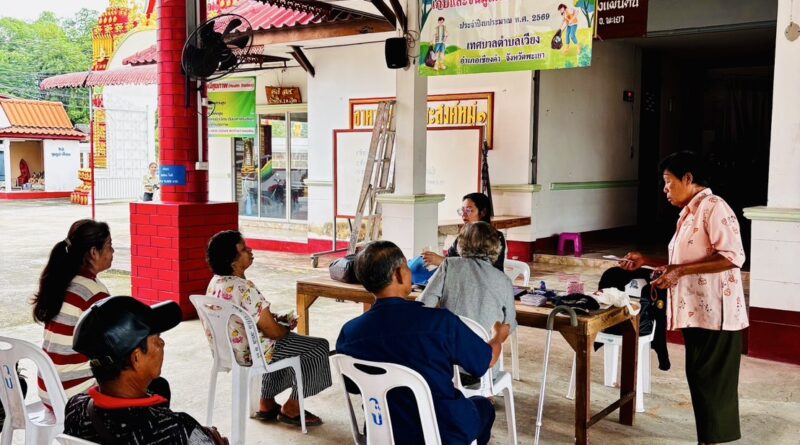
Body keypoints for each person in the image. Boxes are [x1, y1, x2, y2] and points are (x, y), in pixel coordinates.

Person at [620, 151, 747, 445]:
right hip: (698, 312)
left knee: (711, 383)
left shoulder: (714, 207)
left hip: (718, 314)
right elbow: (685, 260)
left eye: (668, 181)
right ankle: (708, 440)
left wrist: (678, 271)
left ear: (688, 178)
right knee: (700, 379)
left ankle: (712, 441)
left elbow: (733, 256)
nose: (665, 189)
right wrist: (647, 261)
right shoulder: (690, 212)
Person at [337, 240, 511, 445]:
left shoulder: (350, 333)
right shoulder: (440, 323)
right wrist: (498, 337)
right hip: (443, 432)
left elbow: (353, 386)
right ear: (399, 274)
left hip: (382, 432)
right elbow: (485, 361)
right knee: (483, 406)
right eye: (407, 266)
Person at [205, 230, 331, 427]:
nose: (250, 250)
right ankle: (292, 407)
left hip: (230, 352)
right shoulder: (245, 288)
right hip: (254, 354)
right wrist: (285, 327)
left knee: (284, 343)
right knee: (318, 347)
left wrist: (275, 321)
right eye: (244, 249)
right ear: (233, 261)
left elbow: (249, 318)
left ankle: (266, 402)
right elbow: (273, 333)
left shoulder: (215, 283)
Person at [64, 296, 229, 445]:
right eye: (157, 338)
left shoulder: (75, 409)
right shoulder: (178, 431)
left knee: (160, 386)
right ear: (136, 358)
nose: (162, 343)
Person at [32, 219, 114, 408]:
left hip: (48, 390)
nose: (113, 252)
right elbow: (111, 345)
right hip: (74, 395)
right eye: (109, 246)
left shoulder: (61, 284)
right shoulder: (94, 292)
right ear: (93, 252)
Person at [419, 221, 517, 338]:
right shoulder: (504, 280)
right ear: (496, 246)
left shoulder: (449, 265)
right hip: (483, 345)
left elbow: (425, 303)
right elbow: (509, 323)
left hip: (447, 341)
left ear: (461, 243)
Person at [422, 192, 506, 271]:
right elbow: (451, 258)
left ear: (483, 212)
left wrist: (441, 261)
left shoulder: (495, 237)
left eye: (468, 210)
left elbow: (481, 270)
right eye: (463, 210)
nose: (463, 215)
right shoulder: (464, 236)